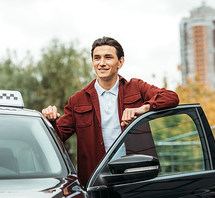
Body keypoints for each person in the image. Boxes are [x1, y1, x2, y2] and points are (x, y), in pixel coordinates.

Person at [42, 36, 179, 186]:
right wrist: (49, 121)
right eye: (97, 58)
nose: (102, 63)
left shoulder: (136, 88)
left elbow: (171, 97)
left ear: (120, 62)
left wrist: (144, 108)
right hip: (96, 180)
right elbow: (57, 137)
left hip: (136, 176)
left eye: (108, 57)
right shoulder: (78, 100)